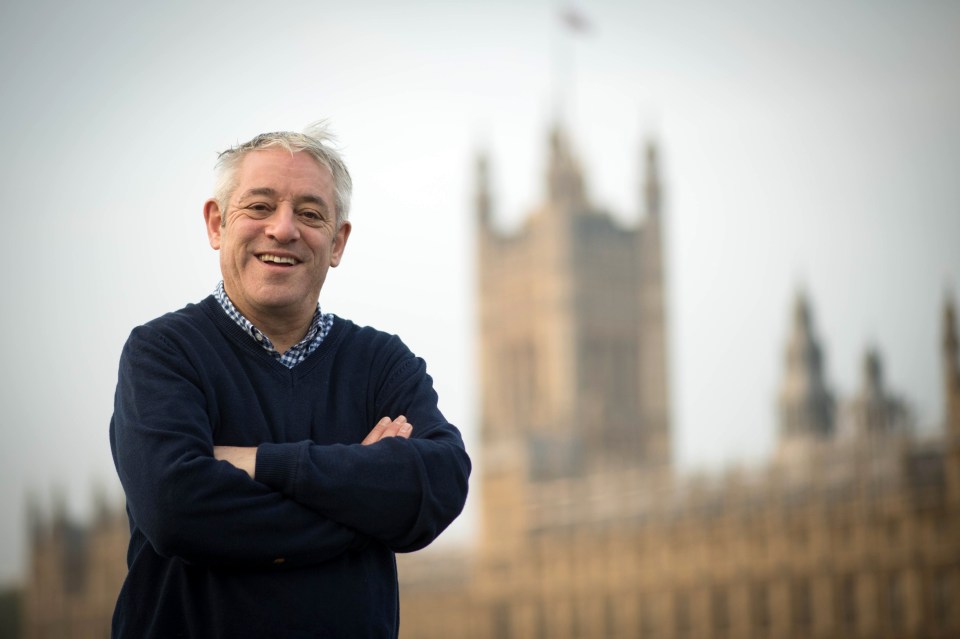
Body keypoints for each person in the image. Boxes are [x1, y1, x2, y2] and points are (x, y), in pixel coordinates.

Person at [109, 123, 471, 638]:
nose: (283, 230)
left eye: (310, 213)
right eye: (258, 207)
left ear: (338, 241)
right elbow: (175, 510)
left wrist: (261, 463)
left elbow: (439, 485)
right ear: (216, 224)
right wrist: (363, 503)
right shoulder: (163, 353)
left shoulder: (383, 362)